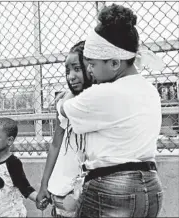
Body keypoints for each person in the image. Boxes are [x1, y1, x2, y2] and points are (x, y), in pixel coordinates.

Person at [59, 4, 164, 217]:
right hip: (152, 186)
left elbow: (64, 110)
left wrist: (67, 97)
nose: (89, 70)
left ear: (115, 63)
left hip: (113, 187)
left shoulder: (103, 93)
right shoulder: (150, 90)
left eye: (92, 64)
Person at [36, 41, 93, 218]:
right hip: (60, 192)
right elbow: (55, 145)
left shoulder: (96, 102)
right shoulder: (64, 103)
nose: (71, 76)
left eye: (77, 69)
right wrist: (44, 184)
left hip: (87, 194)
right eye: (67, 71)